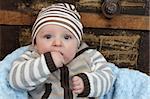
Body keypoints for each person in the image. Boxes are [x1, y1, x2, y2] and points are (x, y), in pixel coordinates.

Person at [8, 2, 114, 99]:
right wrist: (45, 64)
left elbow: (108, 77)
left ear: (77, 43)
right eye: (48, 37)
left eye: (67, 37)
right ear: (35, 43)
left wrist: (87, 83)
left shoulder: (90, 56)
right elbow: (15, 80)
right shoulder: (32, 57)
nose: (57, 43)